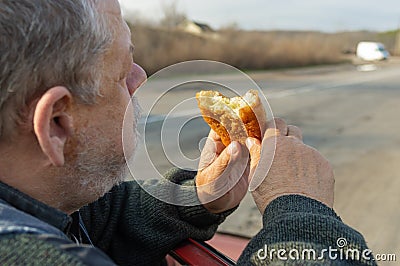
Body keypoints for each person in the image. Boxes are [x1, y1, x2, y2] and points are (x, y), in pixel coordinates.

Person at [0, 0, 374, 265]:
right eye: (121, 72)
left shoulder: (29, 197)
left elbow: (95, 222)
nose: (140, 77)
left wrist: (197, 196)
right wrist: (301, 208)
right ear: (57, 124)